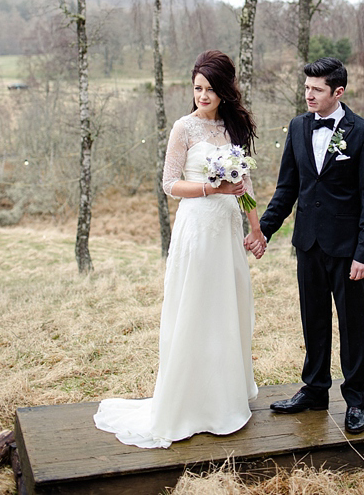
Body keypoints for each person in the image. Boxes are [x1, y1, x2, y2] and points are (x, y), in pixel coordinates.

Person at [94, 50, 267, 447]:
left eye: (209, 89)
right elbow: (169, 184)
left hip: (226, 230)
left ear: (225, 90)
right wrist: (212, 188)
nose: (202, 96)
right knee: (196, 308)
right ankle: (189, 403)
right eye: (197, 88)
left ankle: (225, 398)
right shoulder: (183, 128)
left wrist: (255, 229)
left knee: (228, 308)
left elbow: (247, 186)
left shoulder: (234, 127)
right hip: (196, 229)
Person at [251, 57, 364, 434]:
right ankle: (314, 389)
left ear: (337, 92)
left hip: (347, 251)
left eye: (317, 89)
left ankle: (356, 401)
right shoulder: (296, 128)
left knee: (353, 326)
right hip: (307, 244)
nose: (308, 95)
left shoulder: (363, 132)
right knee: (314, 321)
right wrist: (264, 231)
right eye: (306, 87)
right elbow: (287, 189)